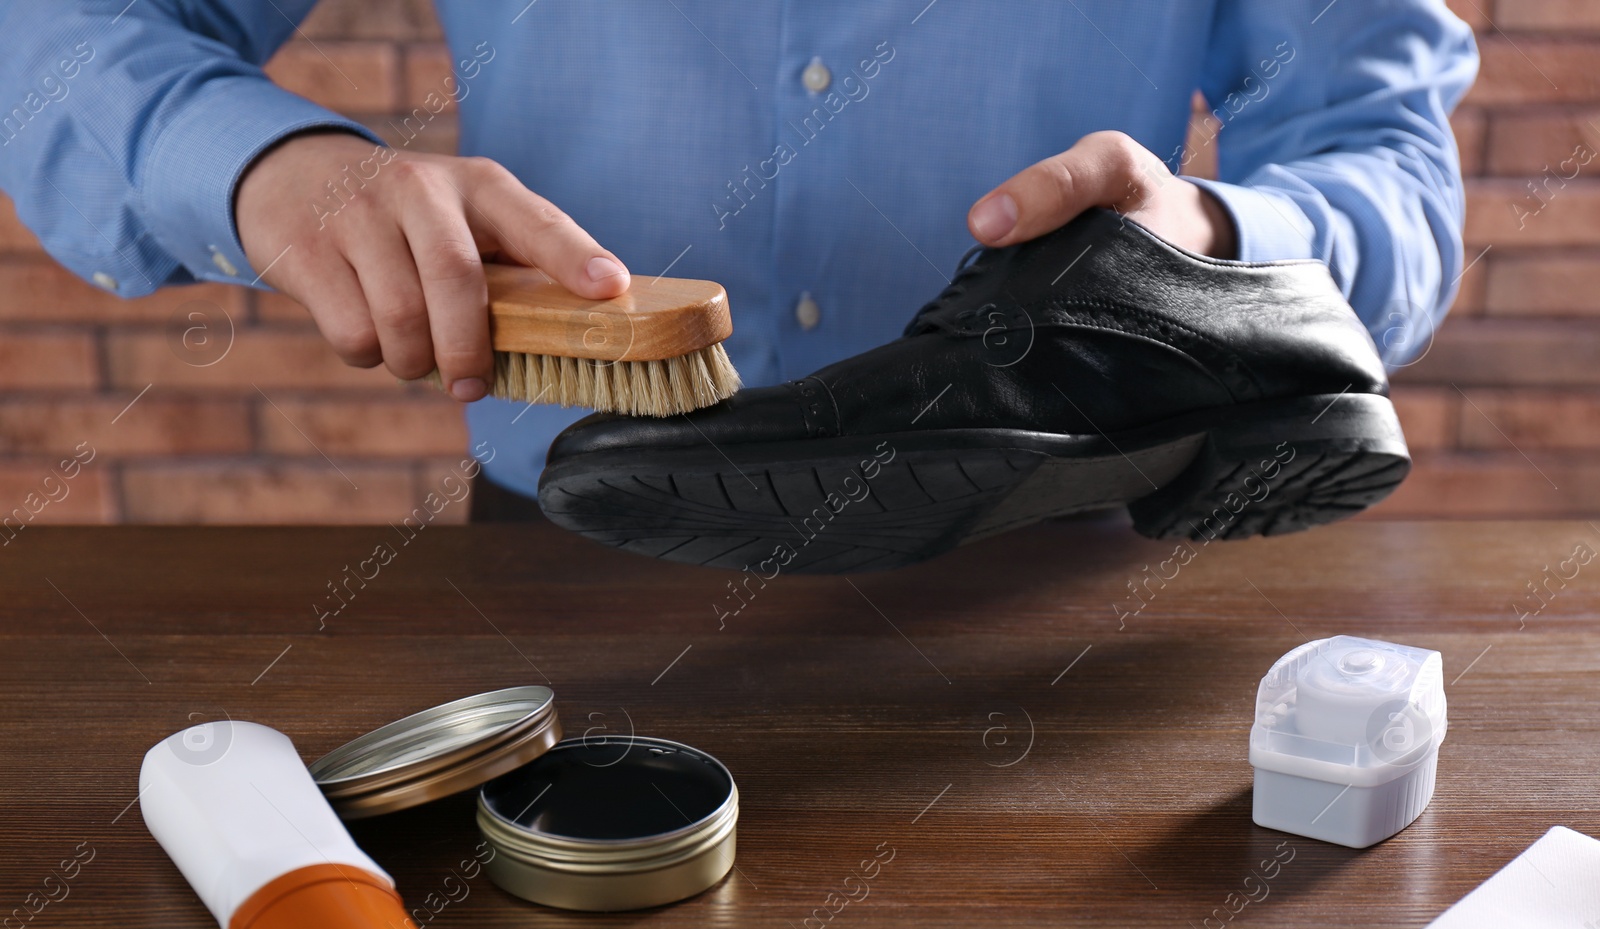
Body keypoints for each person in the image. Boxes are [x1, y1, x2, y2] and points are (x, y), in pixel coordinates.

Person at [0, 1, 1476, 524]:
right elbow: (56, 32)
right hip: (572, 551)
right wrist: (260, 165)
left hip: (1057, 551)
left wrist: (1215, 253)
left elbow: (1391, 163)